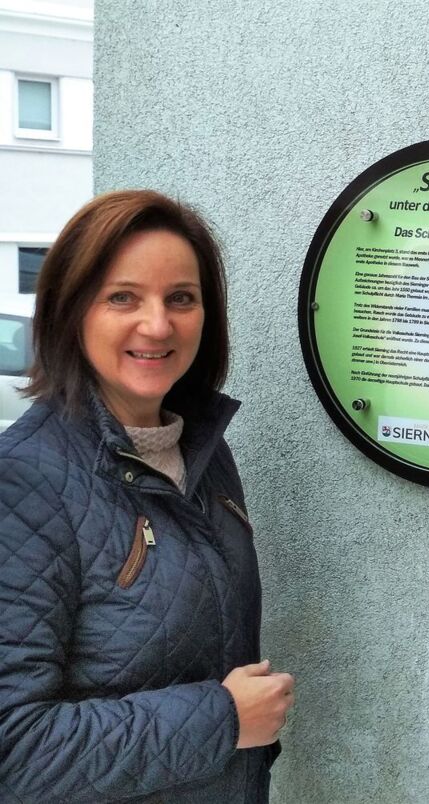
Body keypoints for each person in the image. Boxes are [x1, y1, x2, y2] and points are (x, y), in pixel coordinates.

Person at [0, 190, 294, 802]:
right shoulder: (23, 483)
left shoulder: (203, 450)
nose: (158, 325)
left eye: (180, 298)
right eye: (122, 297)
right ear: (71, 309)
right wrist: (223, 720)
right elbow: (14, 747)